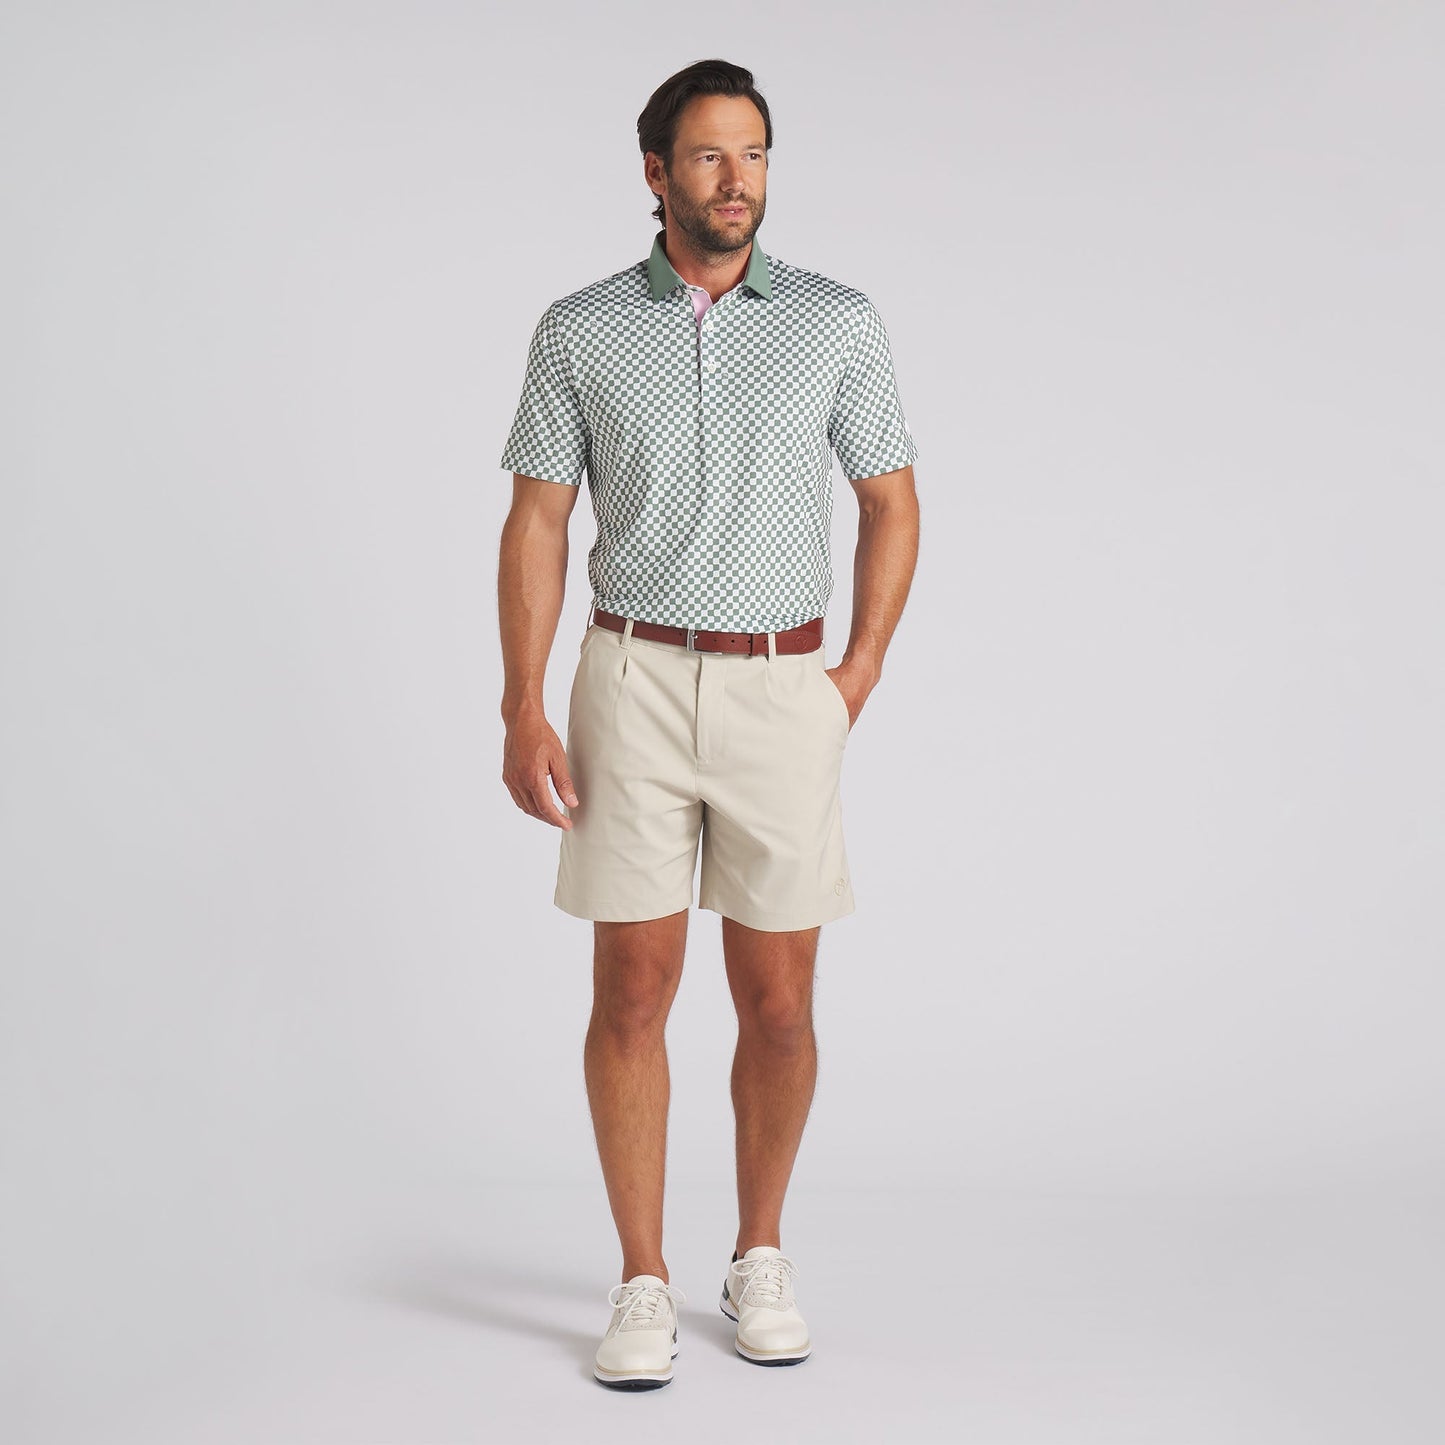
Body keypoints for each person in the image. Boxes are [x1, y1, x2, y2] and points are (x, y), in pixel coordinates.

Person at [497, 57, 920, 1390]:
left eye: (753, 154)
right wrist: (521, 700)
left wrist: (852, 675)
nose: (736, 180)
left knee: (778, 1001)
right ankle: (641, 1275)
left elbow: (892, 501)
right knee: (632, 988)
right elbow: (538, 520)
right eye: (707, 156)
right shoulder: (578, 329)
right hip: (628, 681)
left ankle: (758, 1252)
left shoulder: (836, 322)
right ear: (655, 173)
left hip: (781, 688)